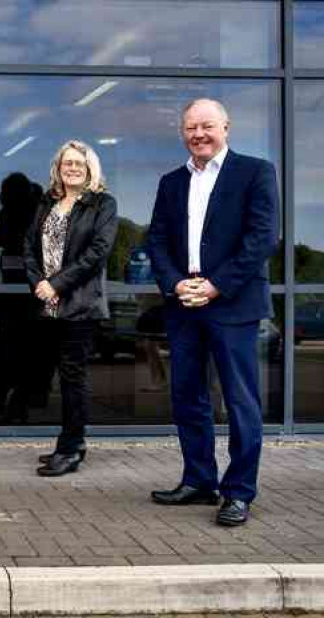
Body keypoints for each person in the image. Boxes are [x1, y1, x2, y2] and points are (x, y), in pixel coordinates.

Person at [145, 98, 279, 526]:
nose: (198, 134)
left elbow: (262, 238)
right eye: (190, 128)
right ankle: (199, 479)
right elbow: (158, 242)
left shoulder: (255, 172)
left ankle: (238, 491)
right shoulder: (171, 182)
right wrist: (175, 282)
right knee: (187, 396)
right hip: (184, 304)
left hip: (233, 304)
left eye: (206, 126)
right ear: (182, 133)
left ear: (226, 127)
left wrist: (217, 285)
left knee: (240, 400)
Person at [24, 140, 118, 477]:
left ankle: (72, 447)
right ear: (58, 168)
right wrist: (39, 284)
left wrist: (56, 284)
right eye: (67, 163)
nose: (73, 168)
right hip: (46, 304)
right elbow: (29, 248)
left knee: (72, 378)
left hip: (79, 306)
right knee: (52, 376)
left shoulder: (102, 204)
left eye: (80, 163)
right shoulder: (47, 202)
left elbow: (97, 253)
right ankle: (66, 442)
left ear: (90, 168)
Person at [0, 173, 44, 423]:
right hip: (19, 297)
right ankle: (12, 400)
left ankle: (8, 400)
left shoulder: (11, 217)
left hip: (19, 296)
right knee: (24, 350)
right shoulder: (24, 216)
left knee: (12, 349)